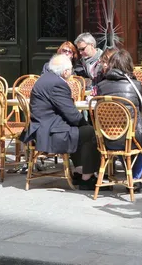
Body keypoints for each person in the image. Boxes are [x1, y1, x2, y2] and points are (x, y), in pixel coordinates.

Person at [23, 54, 100, 190]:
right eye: (70, 70)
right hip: (48, 132)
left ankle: (79, 170)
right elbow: (71, 113)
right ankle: (87, 178)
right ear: (65, 72)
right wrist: (84, 123)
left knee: (79, 130)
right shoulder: (57, 84)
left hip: (42, 127)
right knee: (88, 131)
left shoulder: (46, 78)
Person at [96, 49, 142, 193]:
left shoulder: (101, 86)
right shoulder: (136, 85)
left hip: (105, 138)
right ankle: (135, 178)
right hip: (128, 137)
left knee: (123, 138)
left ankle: (126, 172)